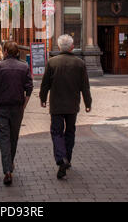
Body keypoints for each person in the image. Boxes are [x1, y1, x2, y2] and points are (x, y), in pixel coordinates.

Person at [39, 34, 92, 180]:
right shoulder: (79, 63)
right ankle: (67, 158)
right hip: (72, 106)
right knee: (70, 132)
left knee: (56, 132)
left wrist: (43, 98)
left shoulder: (52, 62)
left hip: (56, 106)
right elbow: (85, 86)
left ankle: (61, 158)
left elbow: (45, 84)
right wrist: (88, 103)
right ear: (72, 47)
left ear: (59, 46)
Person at [0, 41, 33, 186]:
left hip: (1, 108)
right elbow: (29, 87)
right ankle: (9, 164)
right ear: (17, 52)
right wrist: (24, 104)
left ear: (5, 51)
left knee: (4, 139)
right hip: (17, 108)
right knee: (13, 137)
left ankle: (7, 169)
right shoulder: (24, 67)